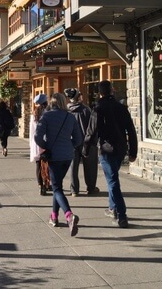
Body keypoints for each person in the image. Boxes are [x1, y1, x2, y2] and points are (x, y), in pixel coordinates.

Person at [85, 80, 138, 229]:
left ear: (100, 93)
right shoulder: (121, 108)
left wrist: (86, 149)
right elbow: (131, 131)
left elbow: (91, 131)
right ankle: (112, 208)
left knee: (113, 181)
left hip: (107, 148)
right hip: (121, 148)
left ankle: (121, 215)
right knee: (112, 177)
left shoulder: (98, 108)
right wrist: (133, 151)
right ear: (112, 91)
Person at [34, 93, 83, 237]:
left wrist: (46, 146)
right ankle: (54, 216)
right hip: (68, 156)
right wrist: (69, 146)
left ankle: (69, 215)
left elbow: (37, 136)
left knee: (56, 187)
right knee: (57, 186)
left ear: (52, 103)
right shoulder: (70, 117)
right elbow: (79, 138)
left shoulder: (47, 116)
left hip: (54, 155)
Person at [64, 88, 99, 196]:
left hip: (71, 142)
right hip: (86, 142)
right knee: (90, 166)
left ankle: (74, 190)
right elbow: (92, 126)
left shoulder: (66, 111)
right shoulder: (85, 109)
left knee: (73, 167)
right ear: (78, 97)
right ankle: (91, 188)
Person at [29, 93, 50, 195]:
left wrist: (31, 144)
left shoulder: (34, 114)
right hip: (47, 141)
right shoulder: (49, 113)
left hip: (36, 142)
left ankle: (40, 185)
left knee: (38, 164)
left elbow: (32, 131)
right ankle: (47, 183)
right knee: (48, 163)